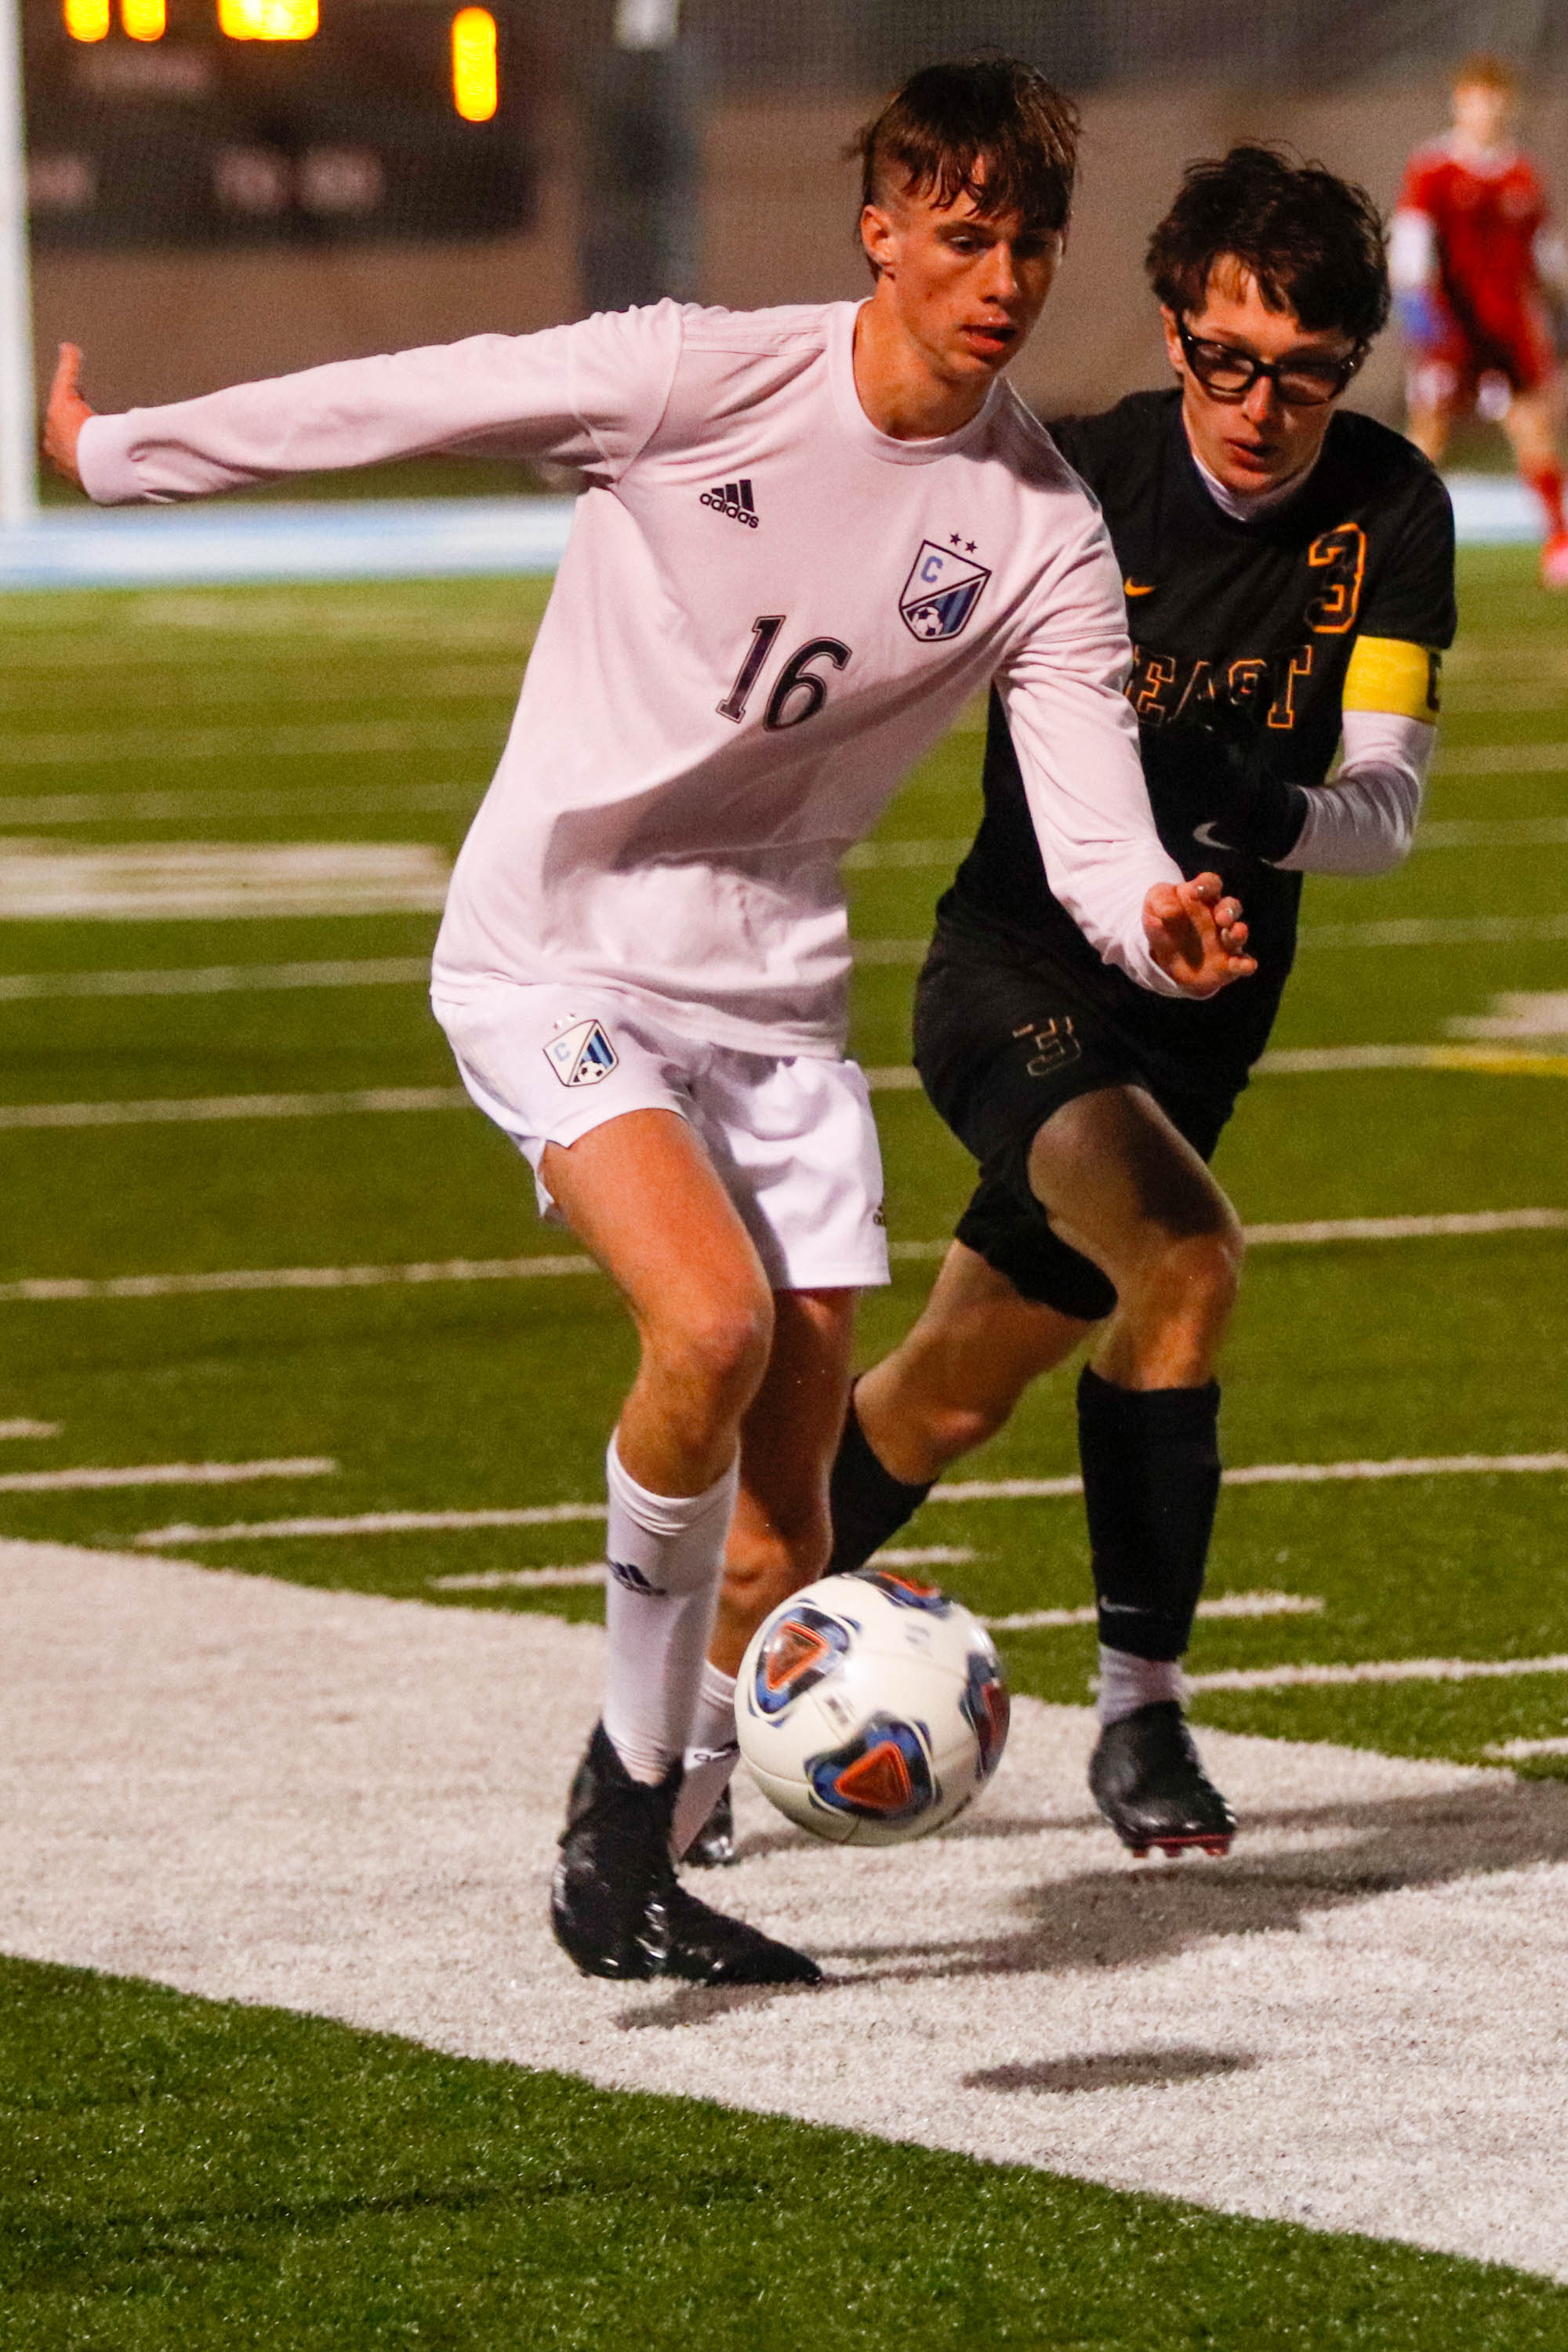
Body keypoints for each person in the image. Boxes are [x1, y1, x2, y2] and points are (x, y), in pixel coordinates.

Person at [43, 60, 1254, 1984]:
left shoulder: (1031, 524)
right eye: (962, 234)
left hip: (772, 1012)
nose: (1001, 275)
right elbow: (415, 391)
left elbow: (1096, 825)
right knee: (707, 1317)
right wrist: (131, 453)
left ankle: (662, 1817)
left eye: (1027, 242)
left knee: (781, 1550)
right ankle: (617, 1830)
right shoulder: (698, 373)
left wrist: (1154, 922)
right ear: (879, 228)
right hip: (555, 951)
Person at [729, 144, 1451, 1867]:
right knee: (1187, 1255)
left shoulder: (1391, 510)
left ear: (1343, 365)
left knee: (937, 1398)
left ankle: (690, 1689)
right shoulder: (1073, 475)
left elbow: (1387, 809)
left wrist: (1252, 810)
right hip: (1015, 977)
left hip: (1197, 1019)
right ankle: (1143, 1721)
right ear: (1171, 330)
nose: (1257, 405)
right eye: (1223, 358)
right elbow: (875, 623)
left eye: (1299, 371)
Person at [1393, 52, 1568, 589]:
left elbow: (1546, 257)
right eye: (1474, 99)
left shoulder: (1521, 174)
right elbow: (1410, 247)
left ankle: (1559, 541)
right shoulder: (1434, 169)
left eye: (1494, 99)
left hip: (1509, 332)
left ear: (1508, 104)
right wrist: (1421, 320)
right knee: (1429, 433)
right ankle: (1392, 543)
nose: (1485, 110)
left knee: (1534, 428)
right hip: (1452, 332)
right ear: (1458, 103)